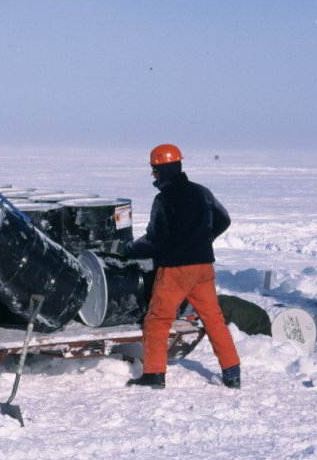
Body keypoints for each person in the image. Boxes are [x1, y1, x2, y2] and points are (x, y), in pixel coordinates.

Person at [103, 144, 241, 389]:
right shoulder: (202, 192)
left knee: (157, 319)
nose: (153, 175)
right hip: (203, 267)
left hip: (176, 270)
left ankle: (154, 375)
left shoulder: (164, 199)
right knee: (213, 319)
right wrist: (203, 239)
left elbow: (155, 239)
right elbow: (224, 219)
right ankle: (232, 373)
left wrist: (127, 251)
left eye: (155, 170)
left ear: (164, 169)